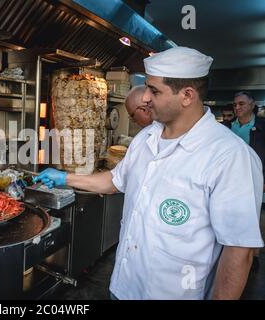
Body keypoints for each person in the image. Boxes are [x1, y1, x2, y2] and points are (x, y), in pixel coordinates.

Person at [33, 47, 264, 300]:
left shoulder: (230, 156)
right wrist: (66, 178)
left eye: (154, 90)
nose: (144, 97)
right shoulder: (147, 137)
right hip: (124, 286)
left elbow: (238, 250)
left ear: (187, 95)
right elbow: (114, 180)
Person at [230, 91, 265, 270]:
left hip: (254, 177)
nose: (237, 107)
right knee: (232, 215)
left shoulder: (262, 126)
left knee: (254, 215)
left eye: (241, 104)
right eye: (235, 104)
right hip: (231, 179)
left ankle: (254, 256)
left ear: (252, 105)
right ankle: (232, 251)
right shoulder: (228, 127)